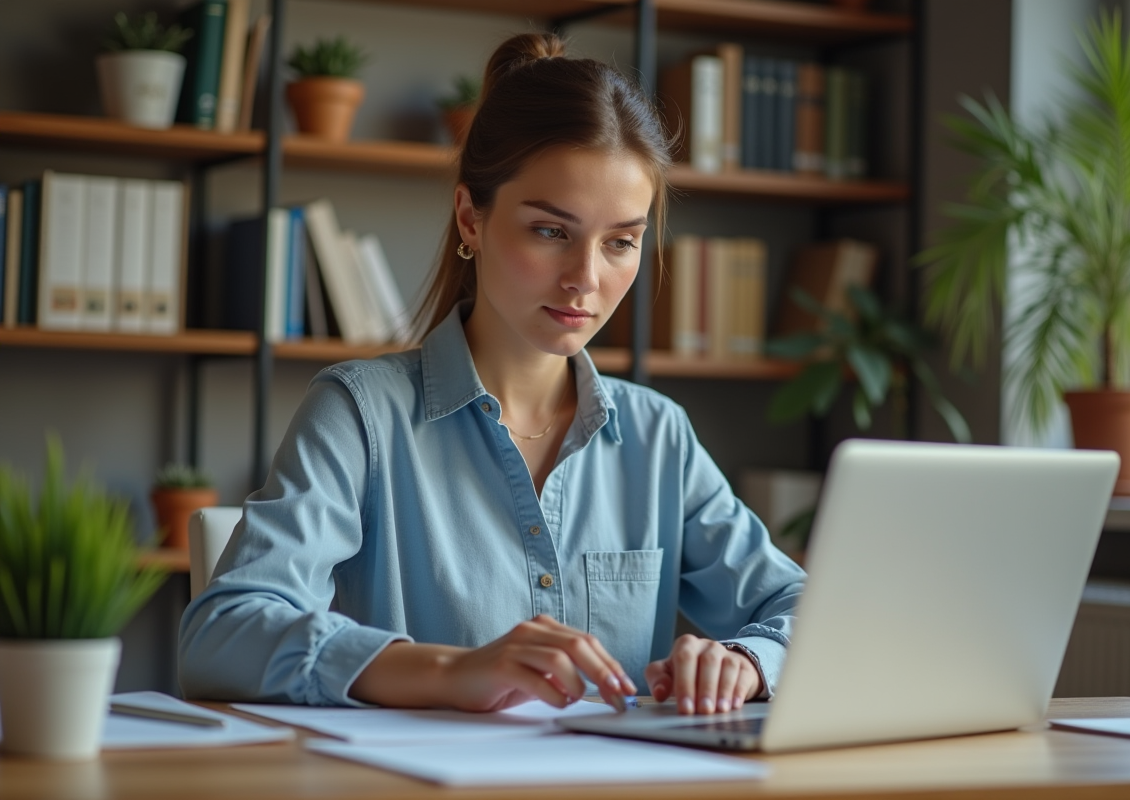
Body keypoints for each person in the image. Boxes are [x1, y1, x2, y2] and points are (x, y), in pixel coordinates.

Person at [179, 32, 805, 717]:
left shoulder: (659, 436)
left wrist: (747, 661)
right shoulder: (359, 414)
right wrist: (450, 670)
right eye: (551, 231)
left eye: (621, 242)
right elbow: (221, 633)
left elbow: (801, 604)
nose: (585, 279)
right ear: (470, 219)